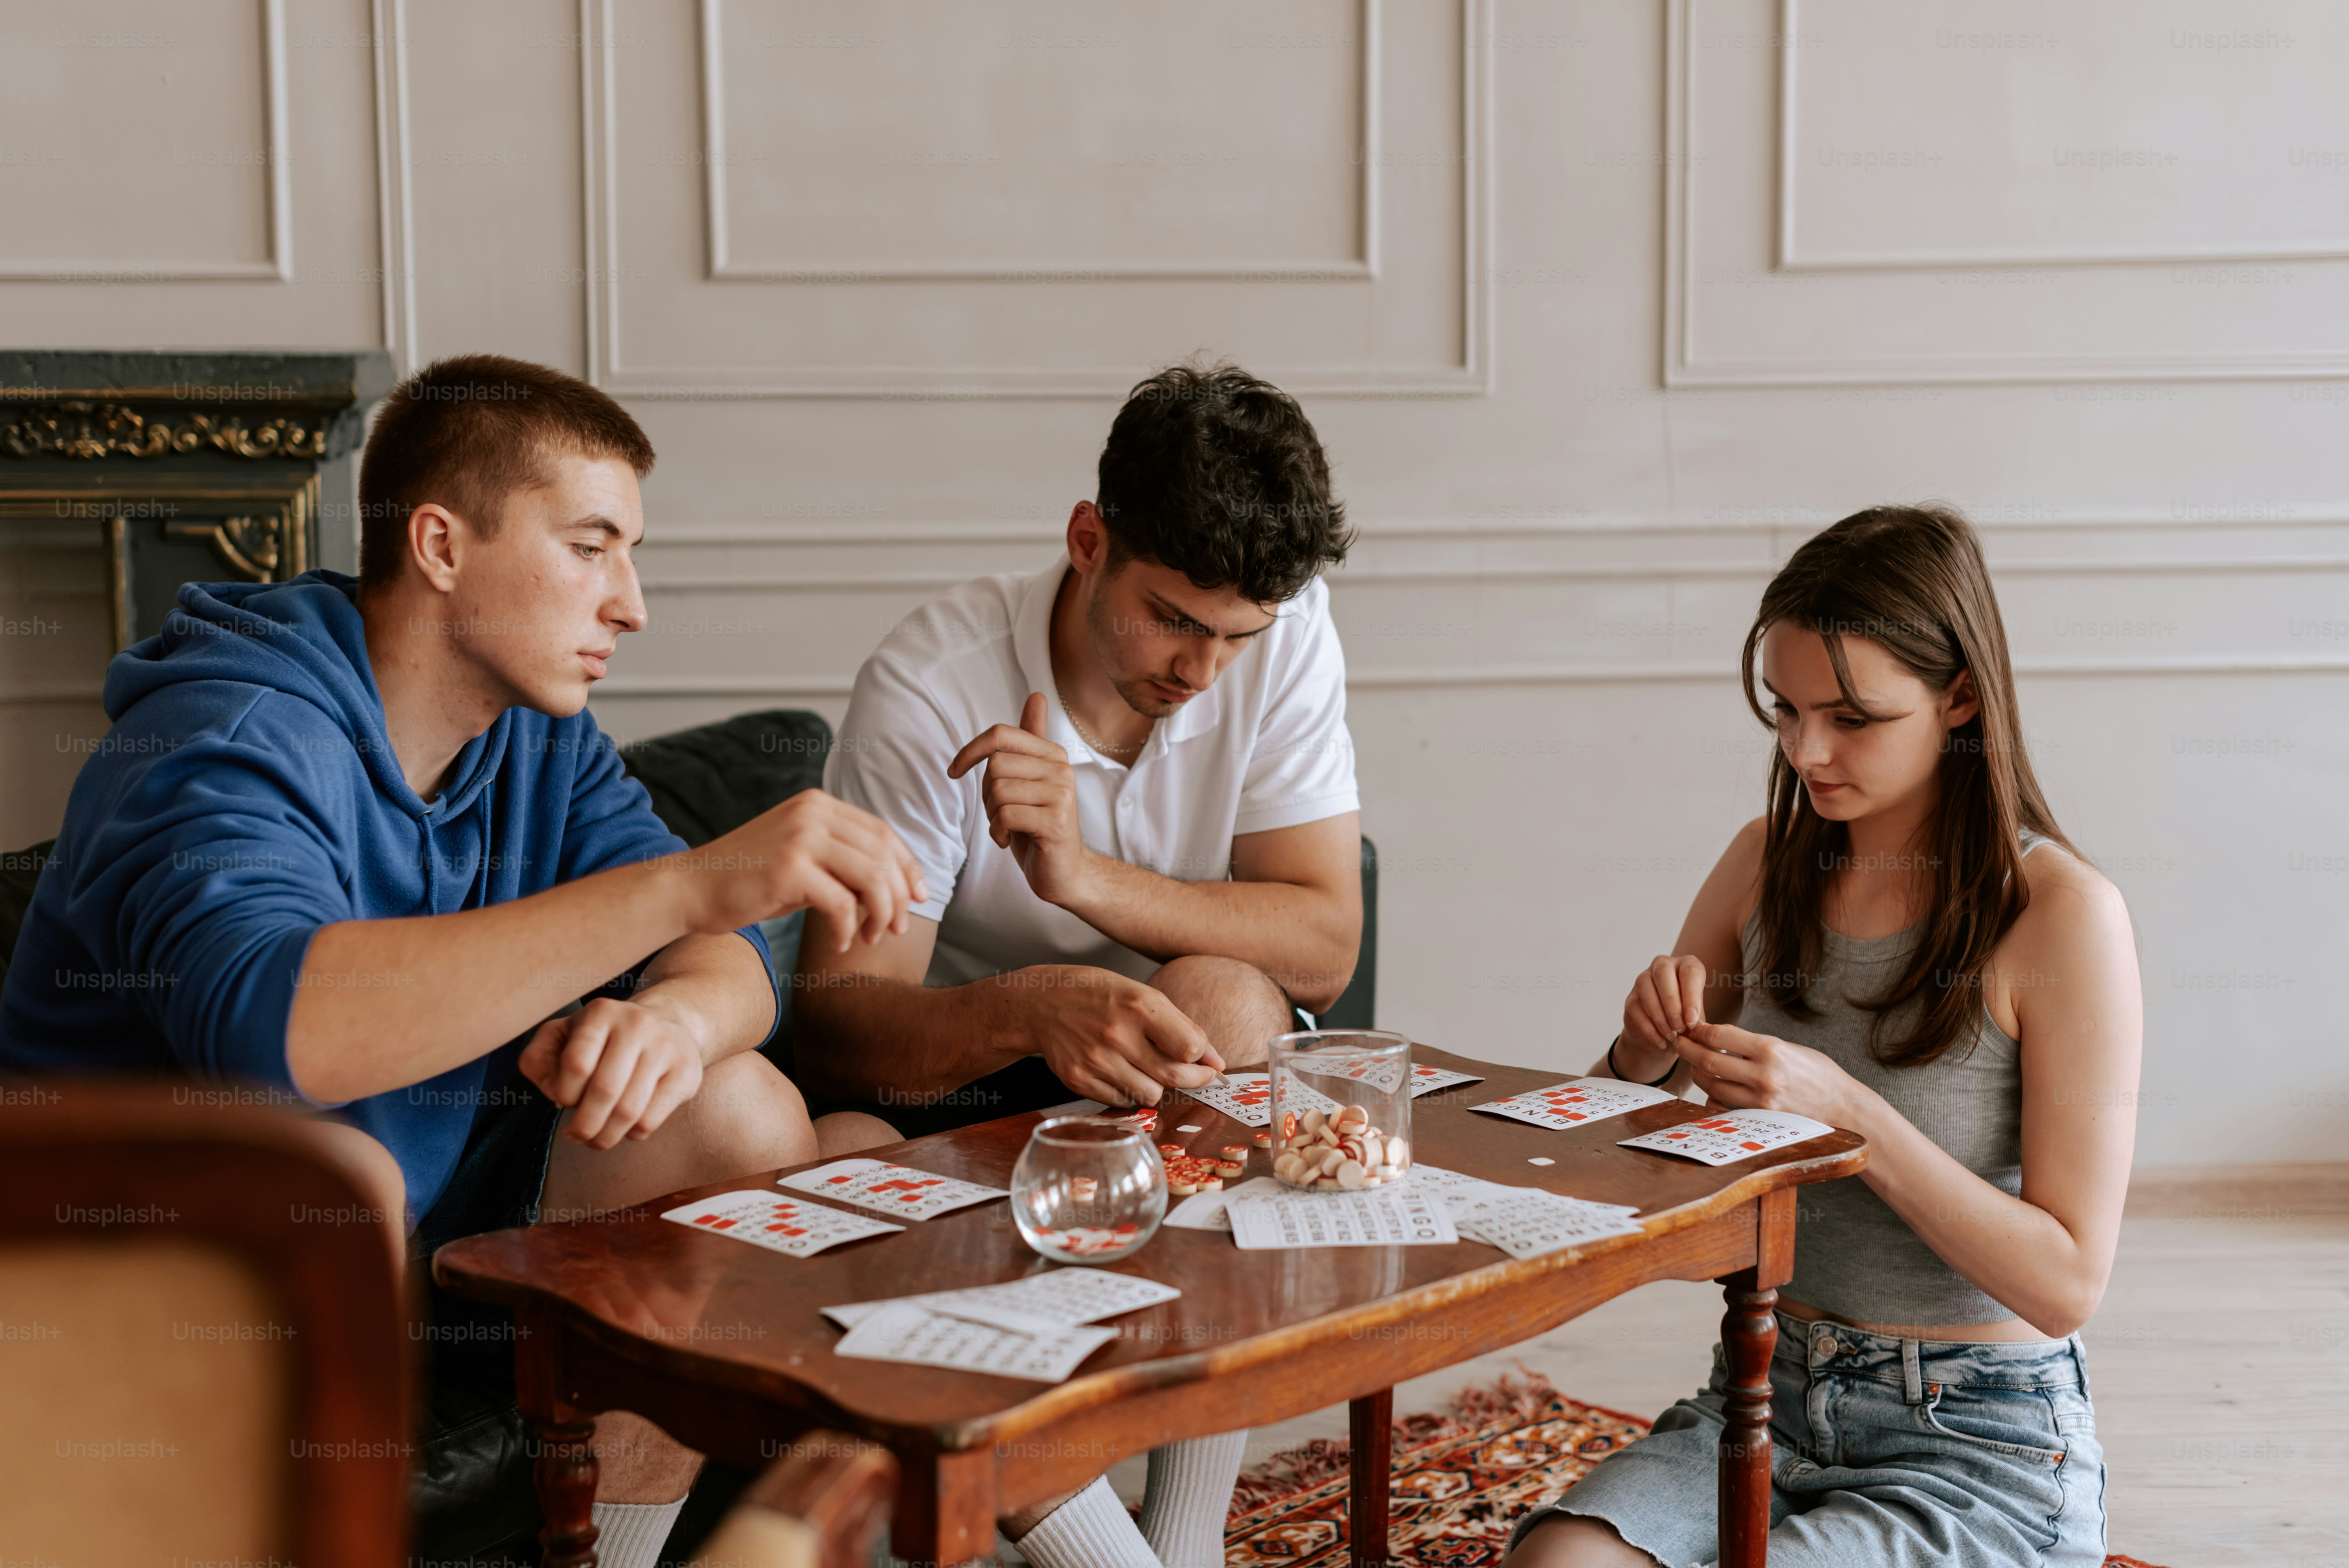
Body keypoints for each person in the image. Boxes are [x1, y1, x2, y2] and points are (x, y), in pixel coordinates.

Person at [0, 354, 926, 1568]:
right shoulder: (223, 731)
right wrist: (690, 883)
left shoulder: (536, 736)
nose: (631, 604)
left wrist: (680, 1024)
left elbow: (731, 955)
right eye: (591, 548)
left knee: (772, 1125)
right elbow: (285, 1038)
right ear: (440, 545)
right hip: (138, 1273)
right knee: (341, 1180)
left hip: (417, 1232)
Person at [791, 361, 1365, 1567]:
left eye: (1235, 637)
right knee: (833, 1164)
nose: (1202, 671)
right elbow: (840, 1021)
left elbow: (1325, 941)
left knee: (1226, 998)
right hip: (969, 1077)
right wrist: (1029, 1010)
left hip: (1168, 1079)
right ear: (1089, 539)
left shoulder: (1284, 629)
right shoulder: (932, 683)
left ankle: (1184, 1536)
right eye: (1173, 621)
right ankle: (1082, 1539)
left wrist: (1084, 880)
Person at [1503, 505, 2139, 1568]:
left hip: (1976, 1440)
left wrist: (1850, 1117)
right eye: (1787, 712)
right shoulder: (1762, 863)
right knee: (1555, 1562)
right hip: (1767, 1395)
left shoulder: (2063, 915)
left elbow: (2068, 1280)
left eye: (1852, 717)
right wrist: (1637, 1060)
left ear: (1961, 698)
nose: (1808, 750)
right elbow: (1600, 1164)